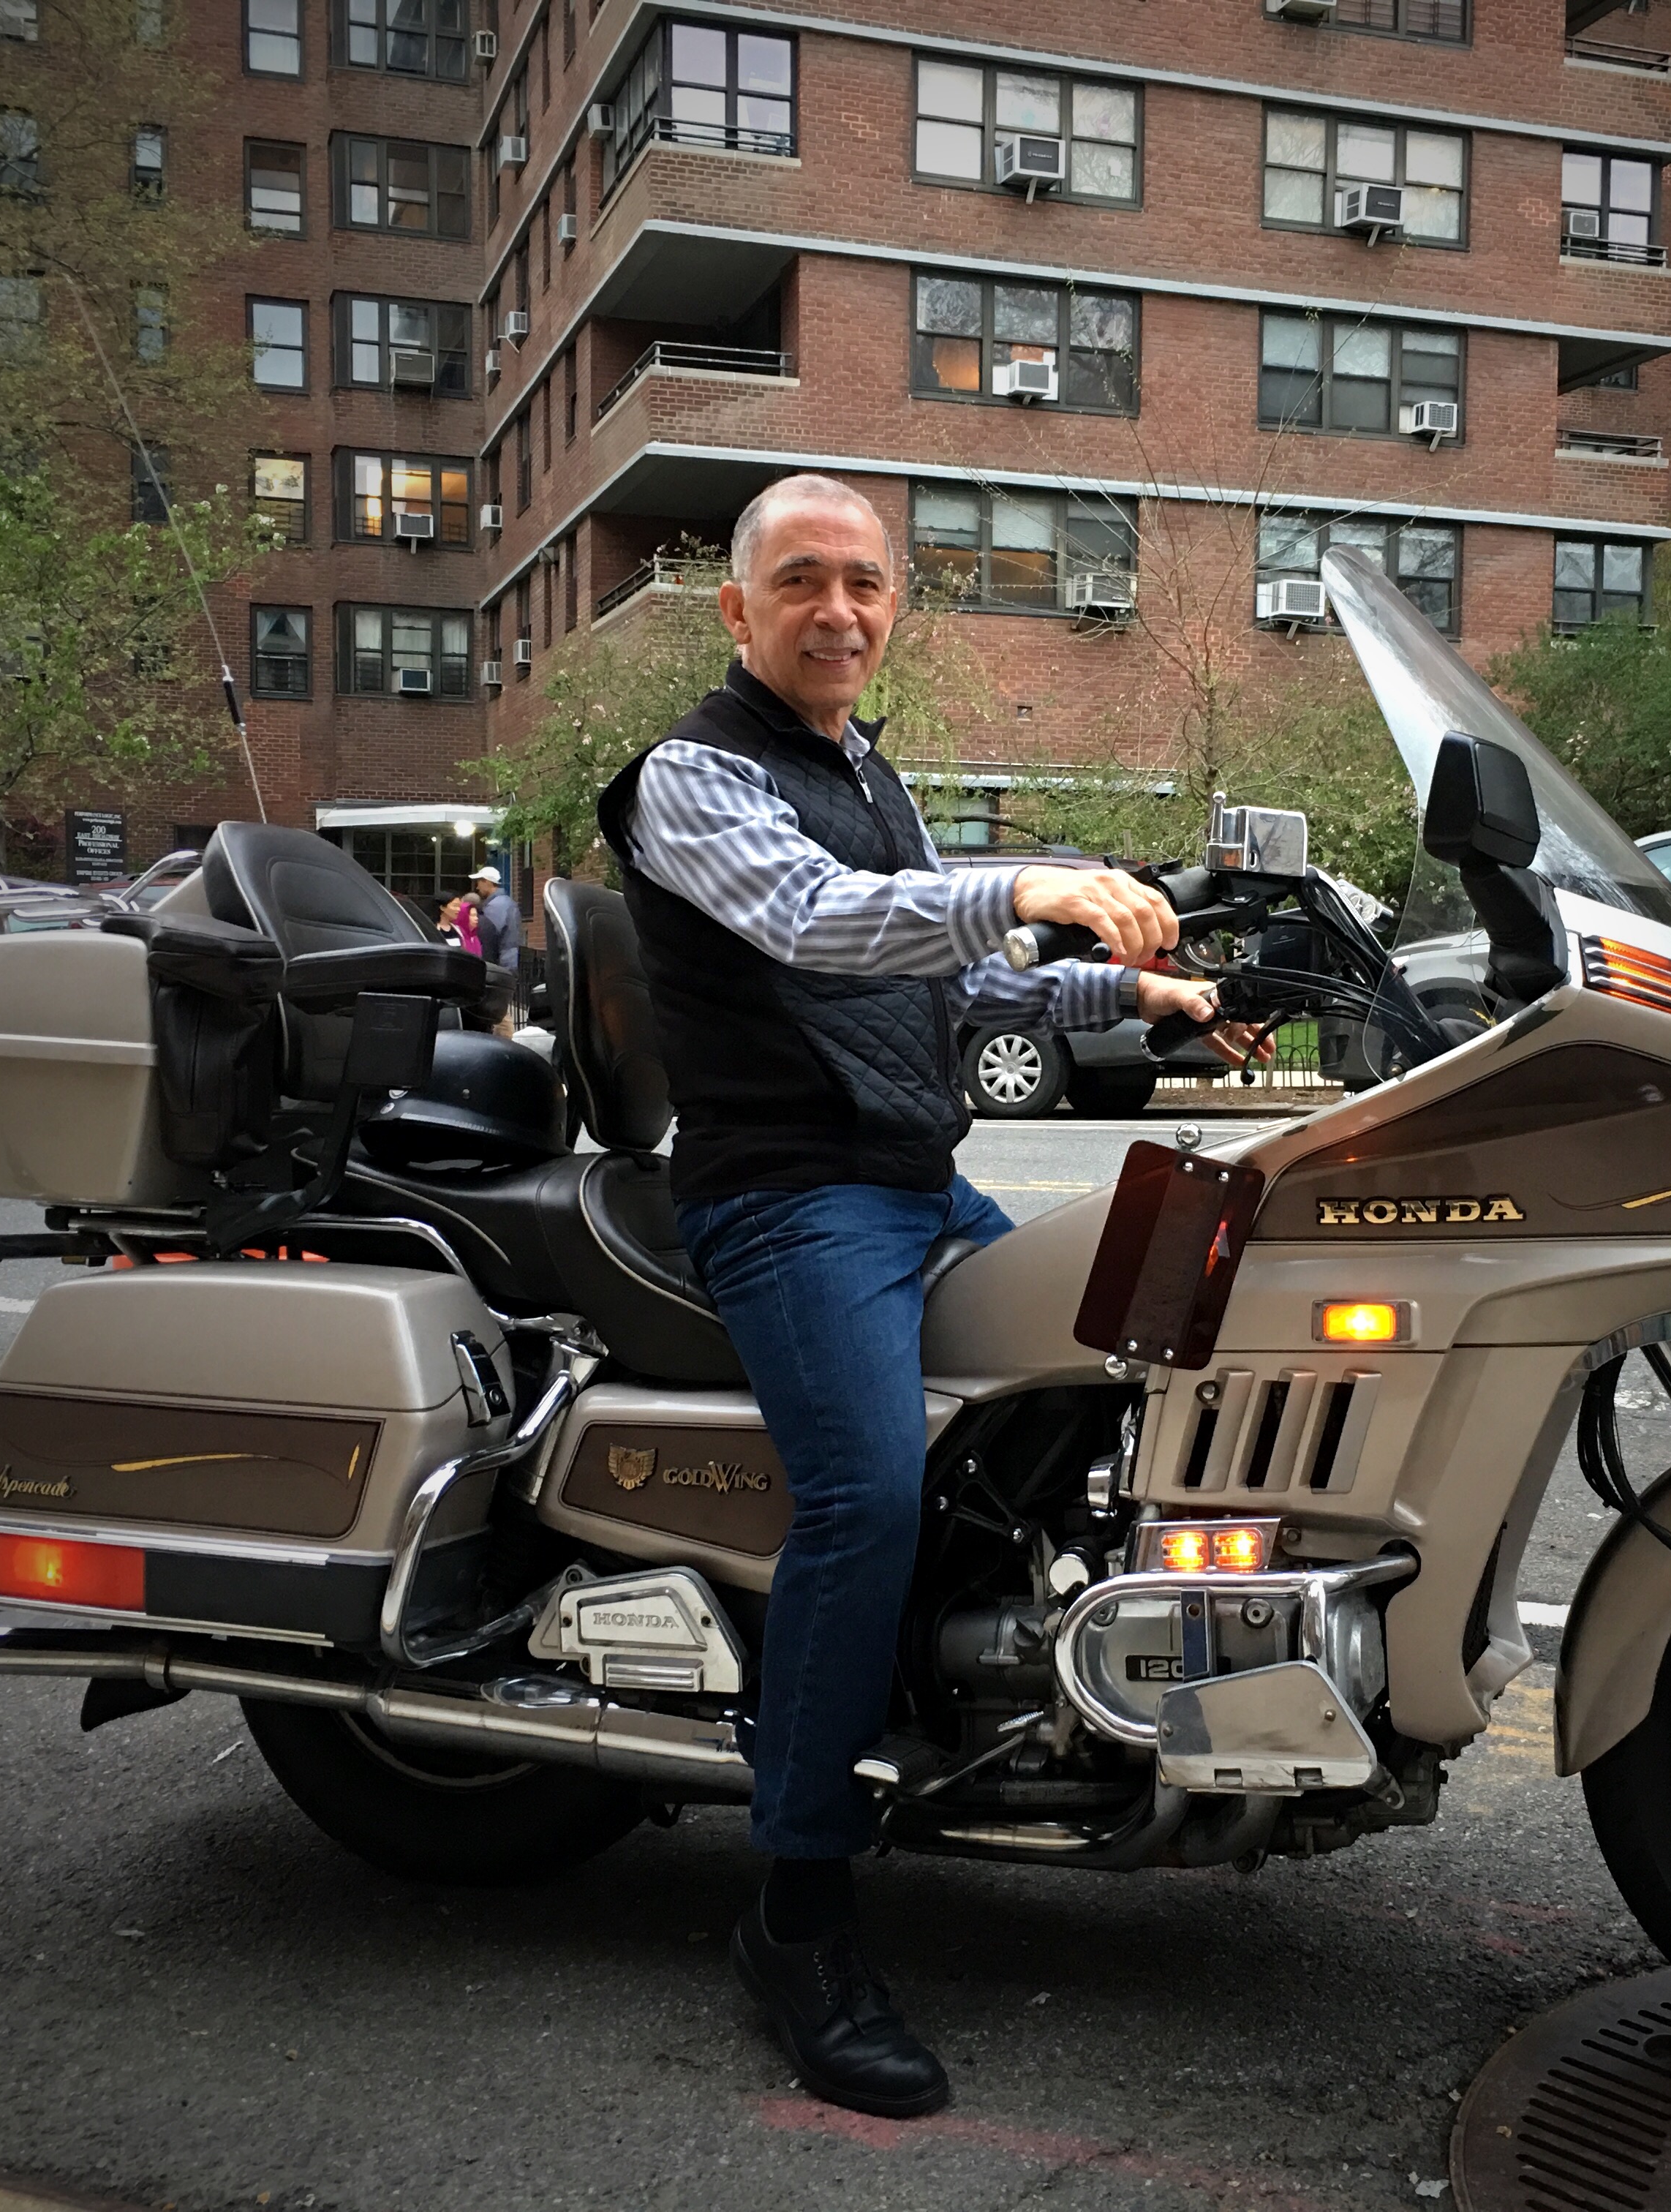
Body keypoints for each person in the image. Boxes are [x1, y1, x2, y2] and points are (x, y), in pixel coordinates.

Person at [595, 474, 1258, 2120]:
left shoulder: (862, 767)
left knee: (1114, 1356)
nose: (839, 610)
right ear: (739, 612)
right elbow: (817, 929)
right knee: (864, 1499)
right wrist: (1032, 878)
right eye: (802, 581)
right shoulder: (693, 776)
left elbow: (952, 978)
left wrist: (1138, 985)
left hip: (910, 1181)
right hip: (788, 1197)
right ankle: (798, 1912)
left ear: (896, 610)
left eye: (867, 584)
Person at [471, 864, 524, 1034]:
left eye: (479, 881)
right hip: (507, 962)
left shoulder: (496, 907)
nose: (477, 886)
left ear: (487, 882)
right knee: (500, 1010)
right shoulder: (505, 903)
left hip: (500, 964)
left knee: (498, 1013)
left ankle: (504, 1046)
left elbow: (487, 936)